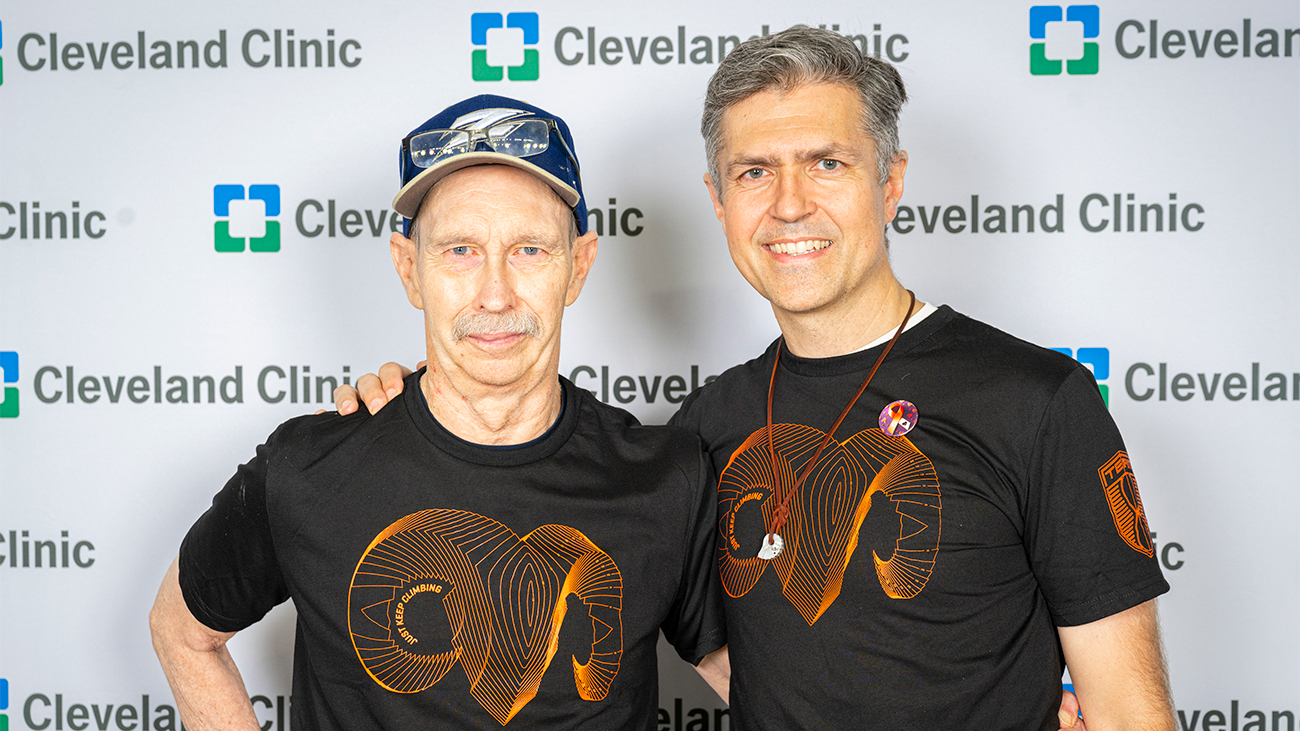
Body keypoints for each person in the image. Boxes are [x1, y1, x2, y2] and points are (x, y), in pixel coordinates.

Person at [341, 27, 1177, 731]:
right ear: (716, 198)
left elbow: (1131, 709)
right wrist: (419, 403)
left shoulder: (1035, 400)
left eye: (826, 164)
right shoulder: (704, 425)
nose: (787, 205)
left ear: (889, 183)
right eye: (753, 172)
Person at [149, 94, 729, 730]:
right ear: (408, 269)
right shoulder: (309, 467)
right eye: (460, 250)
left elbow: (768, 685)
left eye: (530, 249)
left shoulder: (665, 477)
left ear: (579, 265)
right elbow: (181, 632)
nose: (495, 293)